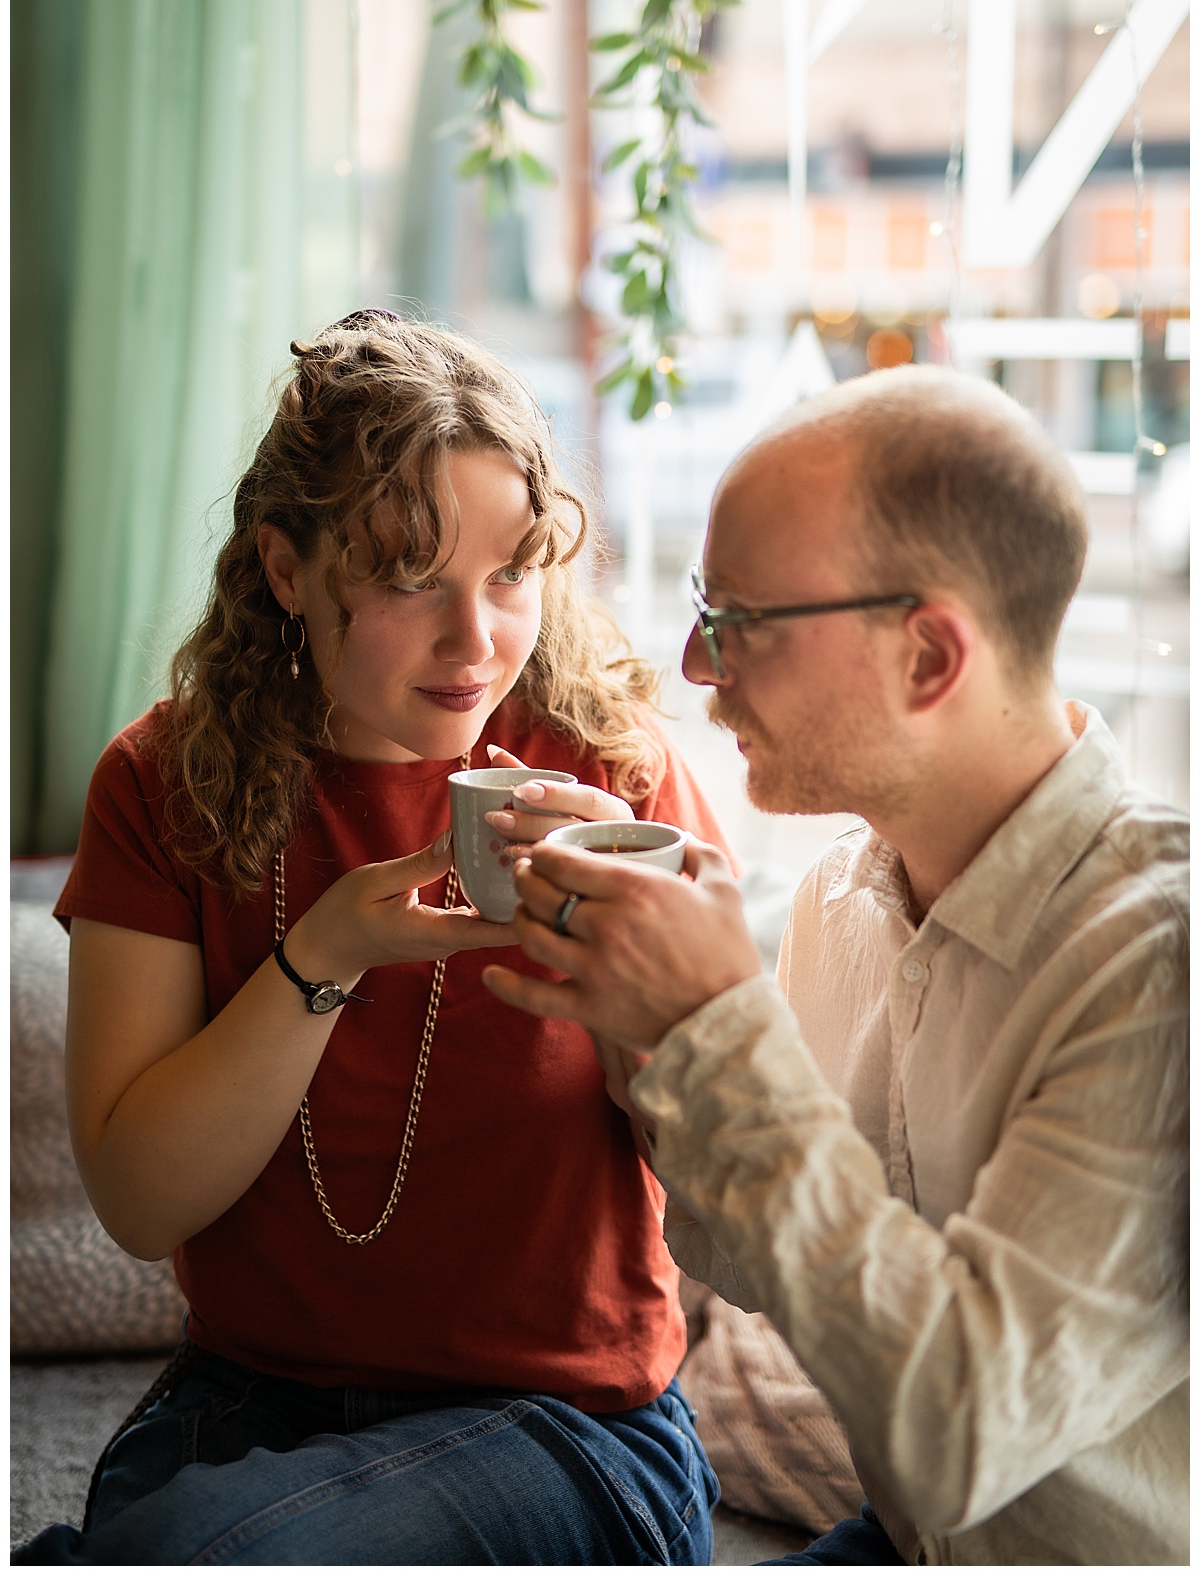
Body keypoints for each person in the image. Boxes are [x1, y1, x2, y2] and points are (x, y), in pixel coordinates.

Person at [16, 311, 726, 1566]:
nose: (477, 642)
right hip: (250, 1396)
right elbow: (140, 1199)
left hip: (567, 1419)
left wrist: (642, 947)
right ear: (289, 569)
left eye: (512, 572)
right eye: (408, 577)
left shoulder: (611, 775)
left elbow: (727, 1183)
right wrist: (320, 956)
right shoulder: (165, 780)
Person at [484, 367, 1189, 1567]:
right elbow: (750, 1253)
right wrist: (637, 1013)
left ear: (928, 657)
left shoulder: (1156, 964)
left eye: (742, 620)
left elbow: (958, 1432)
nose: (699, 669)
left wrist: (717, 1022)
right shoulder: (843, 897)